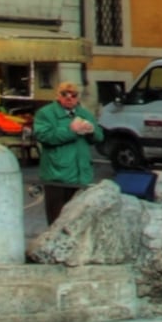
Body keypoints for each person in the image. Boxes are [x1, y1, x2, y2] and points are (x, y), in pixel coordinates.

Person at [27, 81, 105, 223]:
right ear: (58, 95)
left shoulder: (84, 113)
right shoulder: (45, 113)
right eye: (64, 94)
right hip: (57, 177)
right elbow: (44, 136)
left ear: (78, 97)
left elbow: (99, 137)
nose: (69, 97)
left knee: (78, 221)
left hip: (82, 177)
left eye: (73, 95)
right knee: (57, 221)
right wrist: (71, 130)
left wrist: (92, 131)